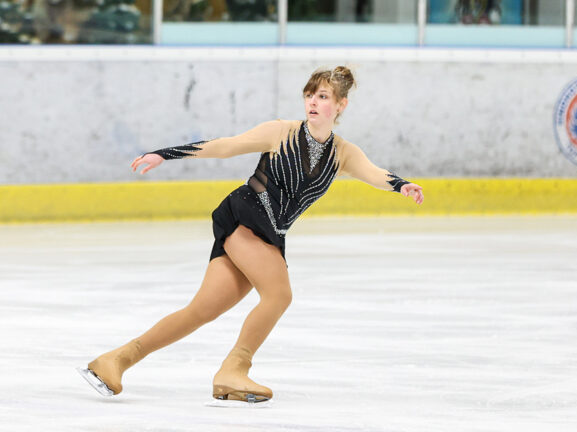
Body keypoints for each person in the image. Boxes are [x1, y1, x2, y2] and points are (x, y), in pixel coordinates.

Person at [78, 66, 424, 405]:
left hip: (270, 232)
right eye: (309, 95)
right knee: (279, 295)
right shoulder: (280, 132)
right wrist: (164, 154)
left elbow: (376, 174)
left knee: (200, 311)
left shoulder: (343, 153)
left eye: (322, 96)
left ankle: (115, 360)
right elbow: (226, 146)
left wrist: (402, 185)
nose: (313, 102)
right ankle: (233, 369)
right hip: (245, 217)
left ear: (341, 105)